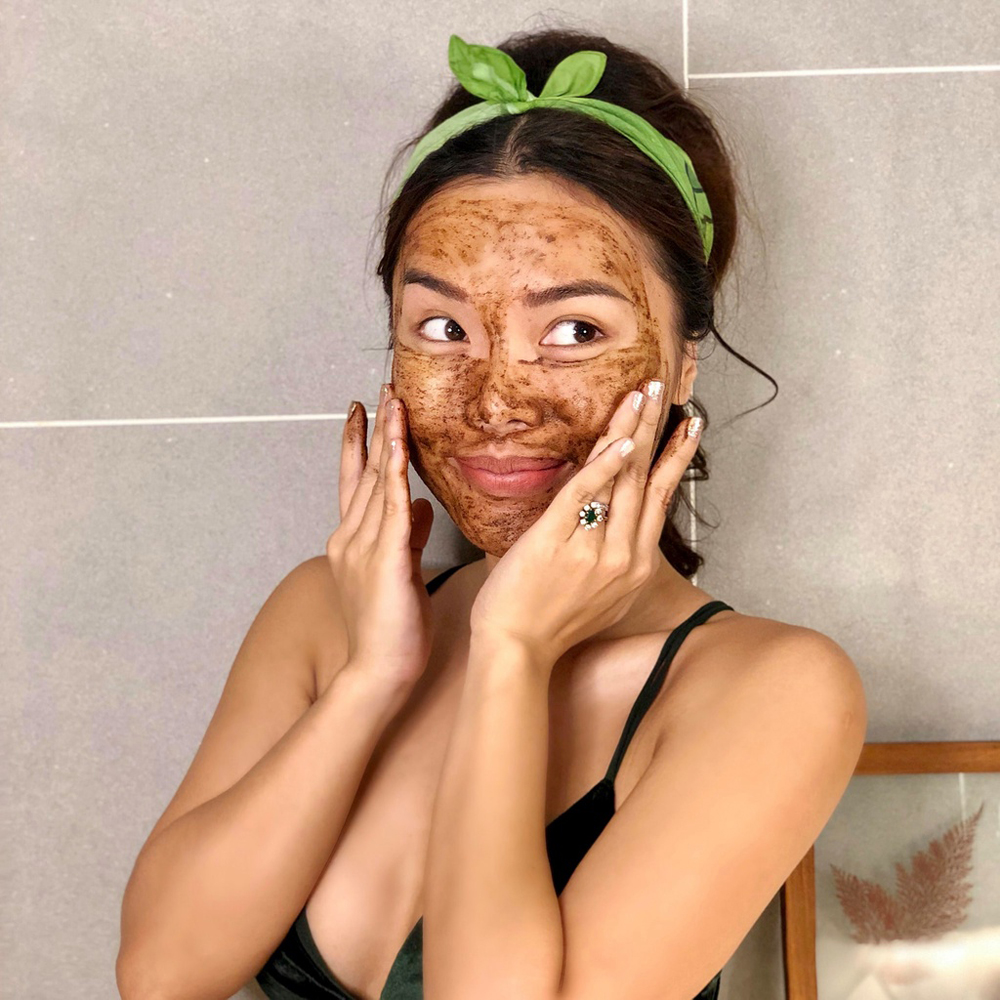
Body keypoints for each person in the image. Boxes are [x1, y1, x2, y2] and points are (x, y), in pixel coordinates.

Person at [116, 27, 868, 1000]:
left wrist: (511, 651)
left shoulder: (772, 690)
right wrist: (370, 679)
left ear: (685, 359)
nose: (495, 402)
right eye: (442, 327)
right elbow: (162, 975)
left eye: (574, 330)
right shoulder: (323, 613)